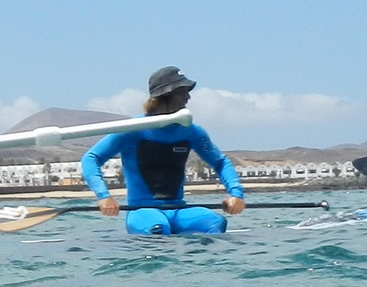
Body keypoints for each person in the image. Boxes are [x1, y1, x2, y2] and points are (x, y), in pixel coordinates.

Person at [81, 67, 248, 234]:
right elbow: (91, 158)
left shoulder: (192, 131)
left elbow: (220, 161)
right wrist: (104, 196)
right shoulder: (133, 129)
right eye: (182, 92)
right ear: (165, 95)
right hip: (142, 212)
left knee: (215, 223)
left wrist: (236, 194)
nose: (188, 97)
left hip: (179, 210)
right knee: (158, 230)